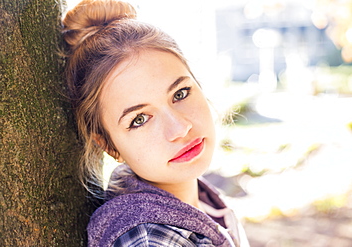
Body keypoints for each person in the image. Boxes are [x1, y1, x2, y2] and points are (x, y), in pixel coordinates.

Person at [62, 0, 249, 246]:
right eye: (139, 119)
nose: (180, 128)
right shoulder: (148, 239)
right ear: (109, 145)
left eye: (180, 93)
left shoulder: (200, 200)